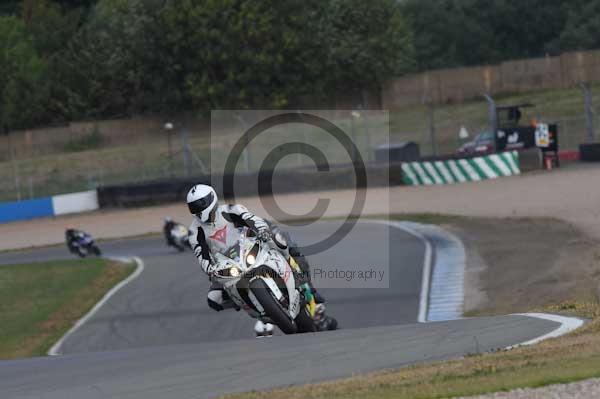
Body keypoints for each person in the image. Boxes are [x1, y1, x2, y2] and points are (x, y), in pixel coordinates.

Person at [186, 184, 333, 334]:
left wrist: (263, 230)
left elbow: (252, 219)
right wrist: (210, 270)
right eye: (193, 206)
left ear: (212, 199)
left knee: (280, 241)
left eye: (200, 204)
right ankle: (244, 303)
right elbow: (202, 256)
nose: (198, 208)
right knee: (213, 299)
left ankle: (306, 283)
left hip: (249, 246)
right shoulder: (194, 231)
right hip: (224, 265)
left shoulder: (230, 210)